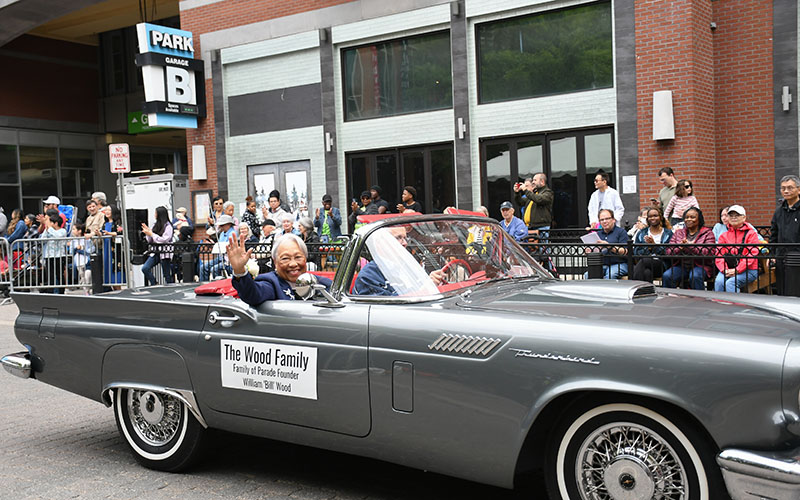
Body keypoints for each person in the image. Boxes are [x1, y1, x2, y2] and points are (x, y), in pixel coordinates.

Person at [228, 232, 333, 306]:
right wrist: (239, 270)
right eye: (285, 258)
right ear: (275, 262)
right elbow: (253, 294)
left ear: (305, 259)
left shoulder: (322, 284)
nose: (293, 264)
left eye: (298, 257)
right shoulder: (271, 283)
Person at [353, 225, 444, 296]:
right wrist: (425, 290)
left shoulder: (408, 267)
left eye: (405, 238)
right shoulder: (369, 275)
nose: (405, 243)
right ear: (380, 243)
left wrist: (433, 281)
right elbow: (382, 310)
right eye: (398, 238)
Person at [662, 207, 715, 289]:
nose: (689, 219)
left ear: (699, 219)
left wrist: (691, 247)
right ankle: (670, 300)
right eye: (686, 217)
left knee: (695, 276)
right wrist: (680, 248)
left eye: (692, 217)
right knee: (667, 276)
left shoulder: (707, 233)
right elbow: (669, 251)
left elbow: (709, 252)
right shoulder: (678, 233)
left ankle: (699, 300)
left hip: (701, 266)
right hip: (682, 265)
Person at [713, 204, 760, 293]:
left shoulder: (751, 234)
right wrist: (724, 270)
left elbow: (751, 255)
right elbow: (719, 255)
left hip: (749, 269)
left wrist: (737, 270)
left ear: (744, 217)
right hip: (728, 268)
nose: (733, 218)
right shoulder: (723, 236)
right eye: (731, 215)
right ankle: (720, 305)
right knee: (719, 282)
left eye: (737, 215)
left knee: (731, 283)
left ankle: (734, 306)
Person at [770, 175, 800, 295]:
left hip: (797, 258)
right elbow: (773, 234)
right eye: (783, 188)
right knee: (782, 293)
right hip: (781, 258)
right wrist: (772, 254)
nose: (786, 191)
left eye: (790, 188)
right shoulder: (778, 212)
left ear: (798, 189)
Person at [583, 209, 629, 279]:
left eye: (607, 219)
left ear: (613, 220)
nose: (604, 221)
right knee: (587, 275)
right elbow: (595, 251)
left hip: (619, 264)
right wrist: (589, 252)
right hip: (602, 264)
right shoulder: (598, 234)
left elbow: (625, 252)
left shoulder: (621, 232)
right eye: (602, 220)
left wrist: (609, 246)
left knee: (611, 275)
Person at [631, 208, 673, 283]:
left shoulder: (668, 233)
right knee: (647, 273)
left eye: (655, 215)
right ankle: (646, 293)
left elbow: (668, 252)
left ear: (660, 217)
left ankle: (634, 286)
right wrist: (649, 248)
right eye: (650, 216)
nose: (652, 218)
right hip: (644, 265)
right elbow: (636, 252)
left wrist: (654, 246)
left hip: (661, 264)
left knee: (644, 261)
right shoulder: (642, 233)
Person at [141, 206, 174, 286]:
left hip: (165, 252)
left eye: (156, 213)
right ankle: (154, 283)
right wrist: (148, 233)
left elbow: (164, 240)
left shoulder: (168, 226)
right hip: (155, 252)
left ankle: (170, 288)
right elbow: (150, 240)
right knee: (145, 268)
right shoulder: (155, 225)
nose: (155, 215)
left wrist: (151, 234)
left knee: (166, 274)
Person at [514, 173, 553, 238]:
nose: (533, 182)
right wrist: (517, 193)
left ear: (542, 181)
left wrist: (526, 190)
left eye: (535, 180)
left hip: (541, 227)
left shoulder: (548, 193)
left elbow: (539, 199)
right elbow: (520, 202)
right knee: (530, 248)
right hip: (529, 227)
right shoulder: (534, 194)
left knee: (543, 248)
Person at [201, 214, 237, 281]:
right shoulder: (222, 234)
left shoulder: (233, 233)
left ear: (228, 224)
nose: (220, 226)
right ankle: (203, 285)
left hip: (228, 260)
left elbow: (229, 246)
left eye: (222, 225)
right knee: (203, 267)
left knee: (214, 269)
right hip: (220, 258)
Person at [40, 210, 67, 294]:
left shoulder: (62, 231)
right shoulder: (49, 230)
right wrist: (46, 229)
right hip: (49, 256)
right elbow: (42, 240)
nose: (49, 224)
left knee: (59, 275)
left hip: (59, 256)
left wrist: (50, 228)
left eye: (51, 222)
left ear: (55, 223)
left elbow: (58, 236)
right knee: (50, 275)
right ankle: (51, 291)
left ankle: (61, 291)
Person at [101, 205, 126, 289]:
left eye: (109, 210)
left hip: (115, 249)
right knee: (108, 268)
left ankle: (118, 289)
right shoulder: (105, 223)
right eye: (106, 210)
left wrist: (109, 233)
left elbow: (119, 233)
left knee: (115, 269)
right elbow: (102, 233)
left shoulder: (118, 223)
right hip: (106, 248)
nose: (107, 212)